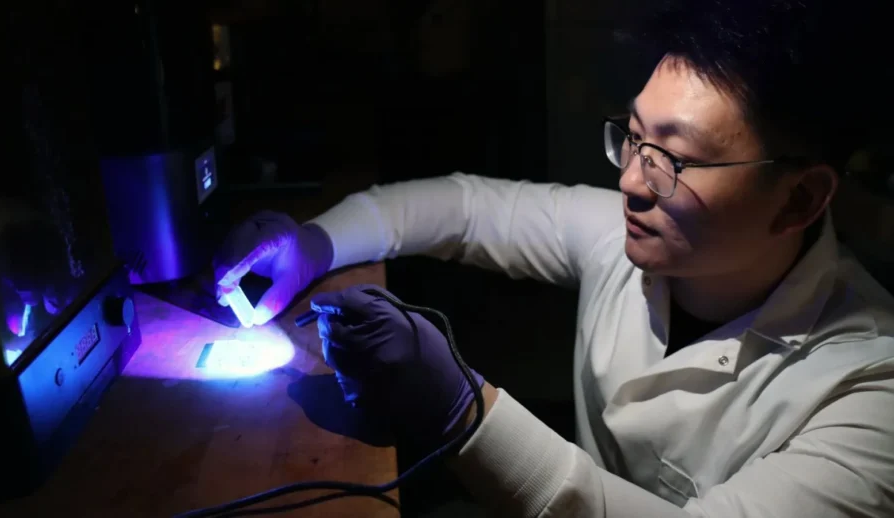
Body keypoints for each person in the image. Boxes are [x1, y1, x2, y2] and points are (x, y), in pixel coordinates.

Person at [213, 0, 894, 516]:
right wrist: (313, 245)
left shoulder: (869, 396)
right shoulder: (626, 241)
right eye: (632, 138)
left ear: (800, 199)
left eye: (673, 160)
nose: (630, 180)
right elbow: (463, 208)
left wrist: (464, 415)